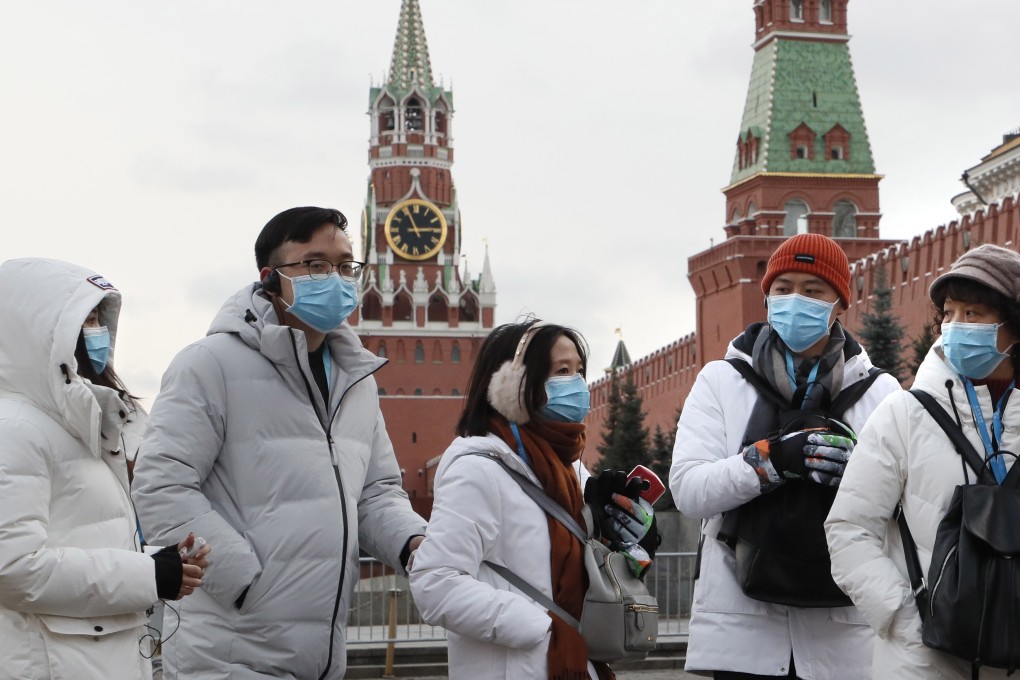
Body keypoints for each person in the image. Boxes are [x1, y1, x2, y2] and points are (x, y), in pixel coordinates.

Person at [131, 207, 428, 680]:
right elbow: (159, 484)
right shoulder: (209, 364)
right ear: (270, 279)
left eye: (345, 265)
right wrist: (246, 584)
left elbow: (376, 493)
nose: (334, 277)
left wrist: (414, 543)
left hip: (322, 656)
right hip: (230, 655)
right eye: (314, 264)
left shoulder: (356, 379)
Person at [670, 233, 901, 678]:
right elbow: (689, 491)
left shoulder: (880, 393)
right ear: (767, 297)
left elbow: (906, 509)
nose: (796, 299)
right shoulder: (722, 381)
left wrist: (857, 475)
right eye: (783, 288)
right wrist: (770, 461)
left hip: (844, 641)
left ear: (839, 303)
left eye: (813, 290)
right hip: (743, 638)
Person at [408, 320, 656, 680]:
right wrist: (539, 627)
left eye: (579, 371)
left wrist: (632, 546)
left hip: (577, 663)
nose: (575, 384)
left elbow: (586, 576)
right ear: (513, 385)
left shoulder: (569, 471)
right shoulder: (477, 471)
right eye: (561, 371)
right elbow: (434, 583)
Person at [0, 258, 207, 680]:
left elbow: (79, 536)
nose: (97, 333)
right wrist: (148, 575)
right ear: (36, 332)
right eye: (84, 320)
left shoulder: (78, 424)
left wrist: (159, 563)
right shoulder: (15, 429)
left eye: (100, 319)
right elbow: (14, 569)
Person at [825, 244, 1020, 679]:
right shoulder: (904, 414)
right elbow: (849, 528)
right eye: (949, 313)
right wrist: (902, 615)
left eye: (974, 314)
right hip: (921, 660)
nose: (956, 327)